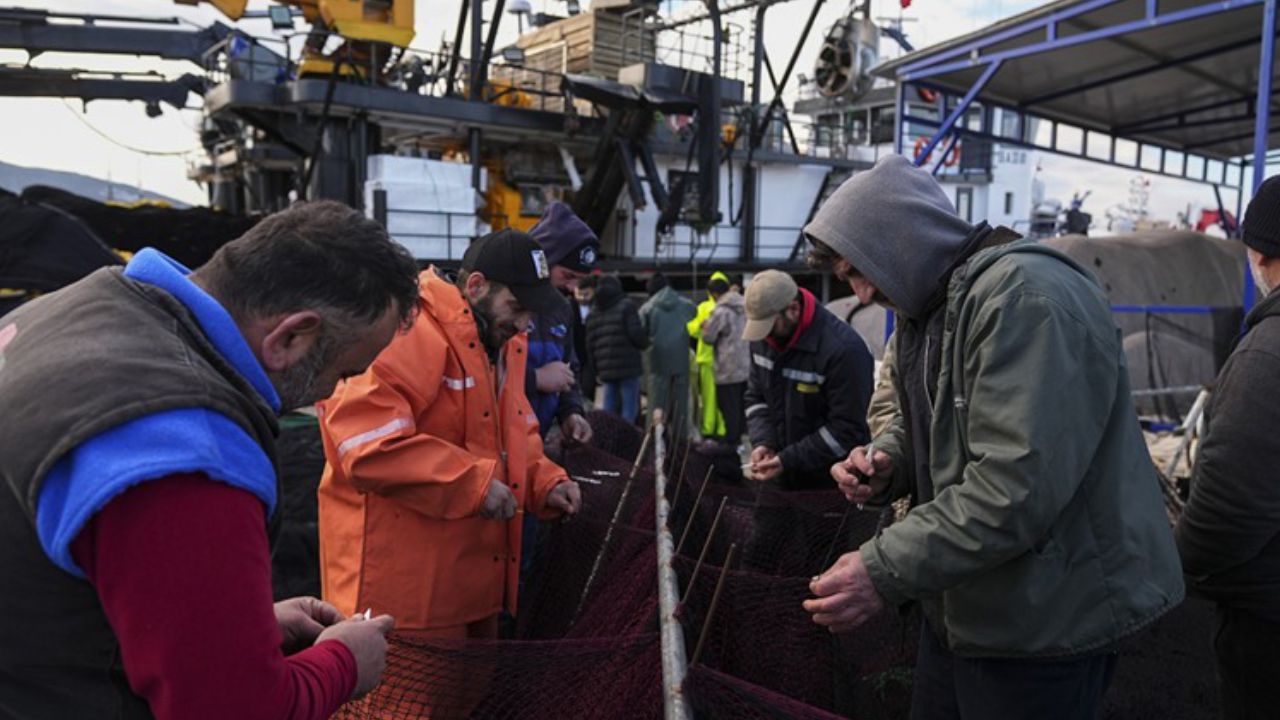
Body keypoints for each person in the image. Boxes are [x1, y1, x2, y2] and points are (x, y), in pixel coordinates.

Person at [0, 200, 417, 718]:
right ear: (290, 337)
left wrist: (227, 622)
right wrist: (345, 662)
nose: (335, 391)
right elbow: (234, 708)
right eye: (347, 369)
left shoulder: (78, 309)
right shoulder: (187, 452)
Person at [803, 155, 1183, 719]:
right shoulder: (929, 309)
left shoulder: (1025, 299)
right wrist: (890, 457)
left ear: (899, 239)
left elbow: (1016, 484)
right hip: (967, 605)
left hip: (1043, 622)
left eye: (858, 269)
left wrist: (882, 568)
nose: (859, 292)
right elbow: (934, 415)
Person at [317, 229, 582, 644]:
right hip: (402, 606)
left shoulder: (503, 343)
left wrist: (546, 482)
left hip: (474, 591)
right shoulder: (408, 331)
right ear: (476, 286)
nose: (525, 321)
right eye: (517, 306)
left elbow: (517, 430)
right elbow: (366, 447)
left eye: (531, 311)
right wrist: (474, 484)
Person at [1176, 175, 1280, 720]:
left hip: (1267, 626)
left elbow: (1227, 511)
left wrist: (1174, 565)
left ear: (1260, 254)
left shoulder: (1267, 356)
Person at [741, 270, 873, 488]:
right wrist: (763, 442)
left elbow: (847, 430)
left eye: (769, 326)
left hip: (829, 484)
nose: (764, 335)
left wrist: (788, 459)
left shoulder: (844, 351)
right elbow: (756, 397)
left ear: (793, 309)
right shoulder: (763, 339)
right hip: (778, 476)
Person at [525, 202, 597, 445]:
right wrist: (535, 379)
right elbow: (480, 376)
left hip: (535, 443)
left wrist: (571, 412)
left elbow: (569, 370)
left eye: (580, 280)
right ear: (545, 260)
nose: (572, 288)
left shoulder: (563, 309)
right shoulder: (506, 303)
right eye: (568, 276)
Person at [586, 274, 649, 423]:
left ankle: (609, 440)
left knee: (608, 408)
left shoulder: (594, 312)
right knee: (629, 409)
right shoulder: (626, 305)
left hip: (605, 369)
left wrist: (595, 369)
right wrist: (645, 343)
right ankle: (628, 440)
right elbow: (635, 333)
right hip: (628, 367)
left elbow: (589, 344)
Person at [639, 272, 697, 427]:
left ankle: (653, 440)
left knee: (656, 405)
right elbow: (695, 319)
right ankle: (681, 442)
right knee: (681, 405)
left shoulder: (648, 308)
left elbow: (640, 333)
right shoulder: (687, 305)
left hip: (657, 361)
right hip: (681, 359)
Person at [700, 276, 750, 450]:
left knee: (728, 407)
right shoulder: (745, 306)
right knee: (743, 405)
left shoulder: (720, 311)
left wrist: (704, 326)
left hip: (727, 368)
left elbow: (708, 337)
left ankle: (731, 443)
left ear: (714, 294)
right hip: (746, 366)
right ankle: (742, 441)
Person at [688, 271, 728, 439]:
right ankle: (719, 429)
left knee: (711, 398)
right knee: (720, 398)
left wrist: (701, 328)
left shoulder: (704, 307)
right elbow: (692, 328)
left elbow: (692, 329)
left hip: (708, 359)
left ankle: (709, 429)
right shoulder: (728, 307)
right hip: (722, 361)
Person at [573, 274, 599, 404]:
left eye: (586, 294)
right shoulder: (569, 306)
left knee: (588, 387)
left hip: (591, 356)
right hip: (575, 352)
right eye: (579, 294)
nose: (582, 298)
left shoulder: (598, 307)